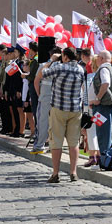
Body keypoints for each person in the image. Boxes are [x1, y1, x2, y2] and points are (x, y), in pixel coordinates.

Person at [35, 47, 84, 182]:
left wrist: (51, 60)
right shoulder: (80, 69)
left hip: (59, 108)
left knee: (56, 140)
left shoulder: (60, 68)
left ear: (66, 57)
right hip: (75, 109)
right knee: (73, 142)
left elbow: (42, 73)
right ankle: (73, 172)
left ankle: (56, 173)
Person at [90, 50, 112, 156]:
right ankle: (104, 158)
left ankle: (104, 159)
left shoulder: (103, 68)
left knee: (103, 134)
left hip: (102, 106)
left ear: (101, 58)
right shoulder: (108, 67)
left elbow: (105, 83)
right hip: (101, 106)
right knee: (102, 132)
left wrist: (98, 98)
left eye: (98, 57)